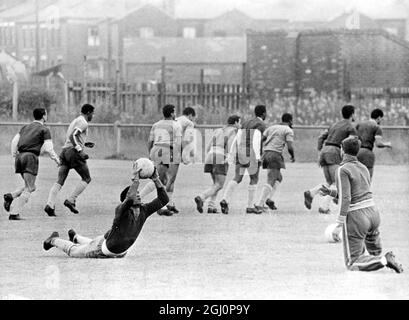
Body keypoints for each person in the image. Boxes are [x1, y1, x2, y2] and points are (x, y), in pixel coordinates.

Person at [43, 162, 169, 259]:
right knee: (74, 251)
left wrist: (156, 178)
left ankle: (75, 236)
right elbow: (130, 199)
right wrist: (135, 180)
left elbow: (164, 199)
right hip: (103, 250)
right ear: (126, 199)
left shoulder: (143, 210)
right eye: (136, 193)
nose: (139, 195)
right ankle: (53, 240)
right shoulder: (121, 210)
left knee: (94, 241)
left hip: (116, 249)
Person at [319, 136, 403, 273]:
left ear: (342, 151)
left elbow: (347, 198)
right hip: (373, 213)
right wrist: (330, 192)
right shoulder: (363, 167)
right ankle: (380, 257)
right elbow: (359, 193)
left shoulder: (342, 169)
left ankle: (385, 260)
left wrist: (339, 223)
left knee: (353, 262)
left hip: (358, 217)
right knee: (374, 253)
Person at [3, 108, 60, 220]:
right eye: (46, 114)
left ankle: (11, 196)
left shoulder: (25, 127)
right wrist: (57, 160)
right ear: (44, 116)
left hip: (20, 157)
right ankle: (14, 213)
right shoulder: (44, 129)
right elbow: (49, 148)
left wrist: (15, 155)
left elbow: (14, 142)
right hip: (30, 158)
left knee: (30, 186)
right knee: (30, 187)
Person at [304, 105, 357, 214]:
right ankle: (321, 204)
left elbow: (320, 138)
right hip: (334, 151)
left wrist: (320, 152)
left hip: (325, 150)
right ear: (352, 114)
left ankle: (314, 196)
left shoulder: (333, 125)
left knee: (329, 181)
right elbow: (351, 142)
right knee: (337, 182)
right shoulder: (350, 127)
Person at [44, 104, 95, 216]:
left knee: (60, 180)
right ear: (88, 113)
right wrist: (80, 149)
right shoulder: (84, 122)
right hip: (73, 152)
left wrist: (84, 143)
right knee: (86, 178)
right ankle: (71, 200)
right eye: (92, 113)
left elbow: (72, 137)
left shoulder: (75, 121)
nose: (93, 116)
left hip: (65, 151)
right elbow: (73, 136)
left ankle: (50, 205)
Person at [219, 105, 267, 215]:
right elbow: (256, 139)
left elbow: (238, 138)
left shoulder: (245, 122)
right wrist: (258, 157)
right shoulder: (261, 125)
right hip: (251, 153)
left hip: (241, 152)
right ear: (263, 113)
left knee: (237, 177)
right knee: (254, 178)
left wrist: (232, 154)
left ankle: (225, 199)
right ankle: (250, 207)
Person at [139, 104, 182, 217]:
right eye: (175, 111)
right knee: (164, 180)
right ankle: (144, 200)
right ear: (172, 113)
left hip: (156, 149)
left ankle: (169, 204)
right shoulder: (176, 125)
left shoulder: (156, 124)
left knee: (163, 179)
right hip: (167, 150)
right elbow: (178, 142)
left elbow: (150, 141)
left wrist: (150, 153)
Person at [194, 115, 241, 214]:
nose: (240, 125)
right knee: (219, 185)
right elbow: (229, 147)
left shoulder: (218, 130)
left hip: (210, 155)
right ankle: (201, 197)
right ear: (236, 123)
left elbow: (208, 147)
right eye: (239, 123)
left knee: (215, 184)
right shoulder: (233, 131)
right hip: (221, 156)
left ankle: (211, 206)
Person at [254, 113, 295, 213]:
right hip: (275, 155)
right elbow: (290, 146)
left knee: (278, 178)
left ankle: (268, 199)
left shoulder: (271, 127)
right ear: (290, 121)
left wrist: (260, 151)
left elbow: (261, 139)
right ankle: (260, 204)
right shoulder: (288, 130)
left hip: (266, 154)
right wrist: (292, 156)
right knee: (271, 179)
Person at [163, 107, 197, 214]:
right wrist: (185, 155)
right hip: (175, 151)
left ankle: (170, 203)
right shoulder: (189, 123)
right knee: (170, 179)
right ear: (191, 115)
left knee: (167, 178)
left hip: (165, 149)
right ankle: (163, 204)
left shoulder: (176, 120)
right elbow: (186, 140)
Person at [356, 109, 392, 179]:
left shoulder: (359, 124)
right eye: (381, 119)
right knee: (367, 177)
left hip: (356, 152)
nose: (381, 121)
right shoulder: (376, 127)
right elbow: (378, 144)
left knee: (356, 176)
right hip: (367, 152)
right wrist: (387, 144)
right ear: (378, 118)